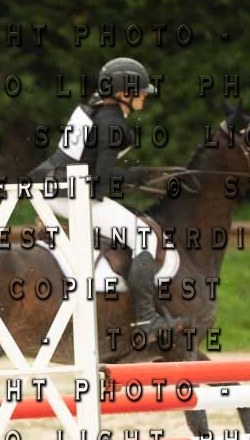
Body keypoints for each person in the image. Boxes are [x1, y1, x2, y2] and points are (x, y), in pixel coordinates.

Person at [29, 57, 181, 337]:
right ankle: (147, 320)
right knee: (145, 236)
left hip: (52, 186)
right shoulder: (112, 123)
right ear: (124, 93)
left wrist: (136, 177)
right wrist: (136, 177)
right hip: (67, 193)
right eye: (140, 92)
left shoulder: (95, 109)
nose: (145, 96)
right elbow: (101, 182)